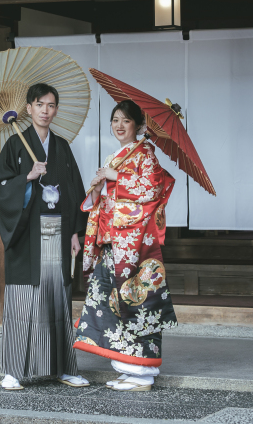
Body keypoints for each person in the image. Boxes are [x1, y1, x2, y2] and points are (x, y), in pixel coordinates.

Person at [73, 99, 177, 392]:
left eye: (126, 121)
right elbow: (109, 200)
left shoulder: (145, 154)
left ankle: (142, 374)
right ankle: (127, 367)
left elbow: (152, 188)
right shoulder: (117, 155)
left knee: (135, 304)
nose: (119, 126)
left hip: (133, 248)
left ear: (139, 126)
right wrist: (97, 189)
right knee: (108, 304)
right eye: (115, 119)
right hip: (113, 243)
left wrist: (115, 177)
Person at [0, 83, 90, 391]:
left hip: (58, 235)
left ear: (55, 110)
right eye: (39, 104)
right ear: (29, 109)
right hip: (27, 237)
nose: (45, 110)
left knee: (56, 301)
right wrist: (27, 178)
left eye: (50, 105)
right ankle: (13, 371)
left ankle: (62, 367)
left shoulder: (61, 146)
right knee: (23, 303)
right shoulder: (15, 146)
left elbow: (75, 190)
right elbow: (1, 187)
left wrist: (76, 231)